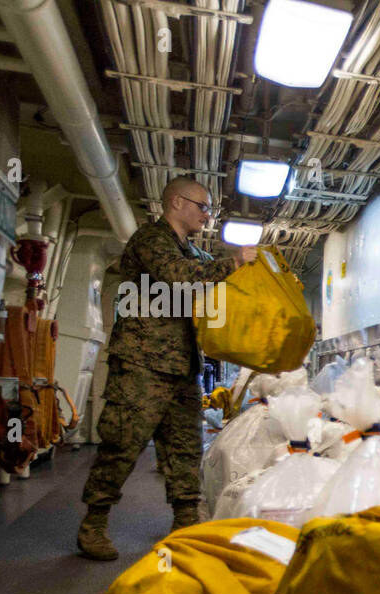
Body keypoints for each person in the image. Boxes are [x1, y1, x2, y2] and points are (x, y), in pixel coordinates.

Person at [76, 177, 258, 560]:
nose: (208, 216)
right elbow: (179, 277)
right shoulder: (151, 241)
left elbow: (212, 283)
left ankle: (185, 520)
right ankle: (93, 524)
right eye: (203, 206)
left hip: (180, 365)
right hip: (141, 363)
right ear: (177, 202)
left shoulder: (193, 251)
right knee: (122, 444)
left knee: (185, 449)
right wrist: (235, 261)